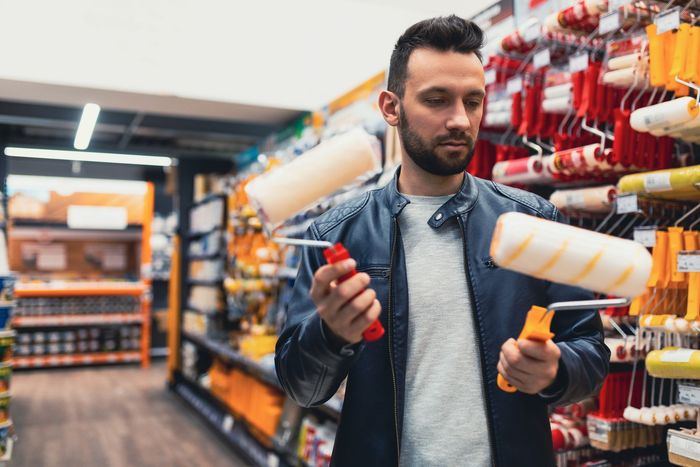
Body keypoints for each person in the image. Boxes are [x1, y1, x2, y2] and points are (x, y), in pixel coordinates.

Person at [275, 15, 609, 467]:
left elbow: (589, 356)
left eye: (473, 101)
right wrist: (330, 334)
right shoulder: (336, 235)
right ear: (391, 108)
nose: (460, 120)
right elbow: (303, 388)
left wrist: (555, 370)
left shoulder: (535, 221)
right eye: (437, 100)